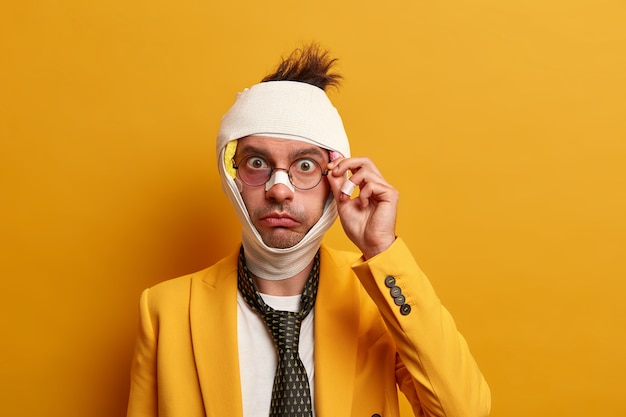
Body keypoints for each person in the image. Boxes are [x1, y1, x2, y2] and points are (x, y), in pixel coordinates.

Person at [126, 44, 491, 417]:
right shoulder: (165, 310)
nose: (279, 188)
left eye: (304, 165)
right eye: (256, 162)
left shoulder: (377, 298)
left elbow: (464, 411)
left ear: (335, 178)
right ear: (231, 176)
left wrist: (381, 248)